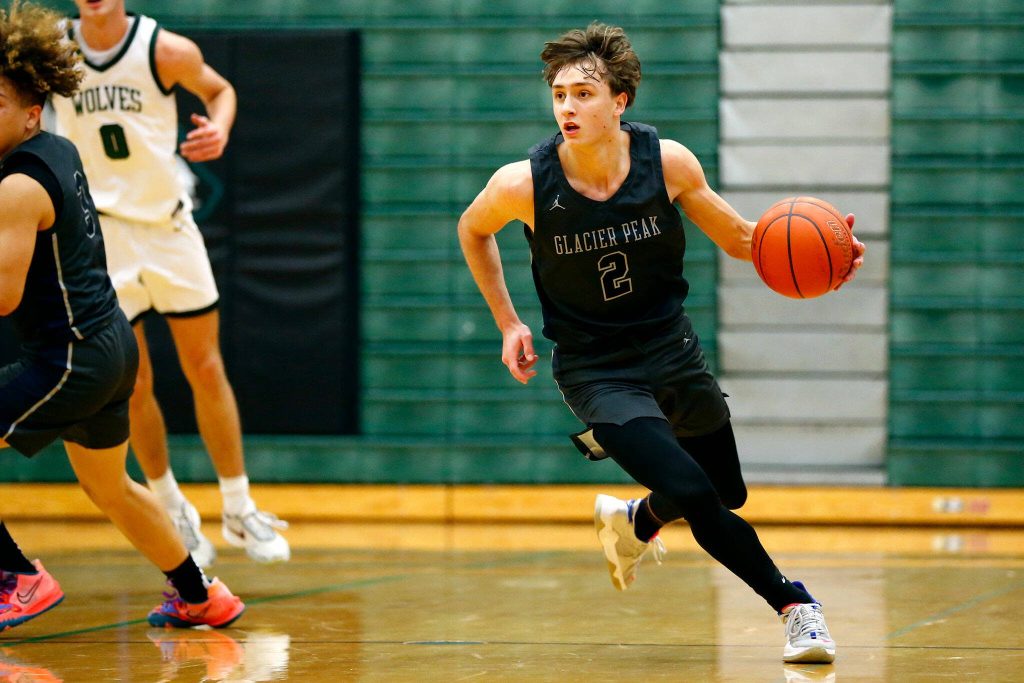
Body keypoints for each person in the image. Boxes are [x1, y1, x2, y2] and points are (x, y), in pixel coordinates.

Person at [458, 23, 866, 664]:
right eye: (560, 94)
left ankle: (637, 522)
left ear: (620, 100)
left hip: (672, 351)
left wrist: (828, 251)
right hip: (596, 368)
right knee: (698, 494)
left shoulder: (668, 163)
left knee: (723, 492)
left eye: (584, 93)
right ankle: (796, 606)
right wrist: (509, 322)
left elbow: (741, 238)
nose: (568, 107)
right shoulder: (524, 183)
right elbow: (472, 230)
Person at [0, 0, 243, 630]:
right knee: (111, 486)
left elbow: (3, 296)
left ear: (31, 113)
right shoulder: (56, 149)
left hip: (68, 358)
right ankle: (201, 595)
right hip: (109, 348)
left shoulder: (16, 187)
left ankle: (18, 577)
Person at [49, 0, 289, 567]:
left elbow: (221, 91)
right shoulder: (53, 51)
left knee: (206, 366)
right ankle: (171, 505)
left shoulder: (164, 49)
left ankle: (238, 506)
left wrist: (219, 132)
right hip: (99, 235)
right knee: (133, 383)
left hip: (168, 228)